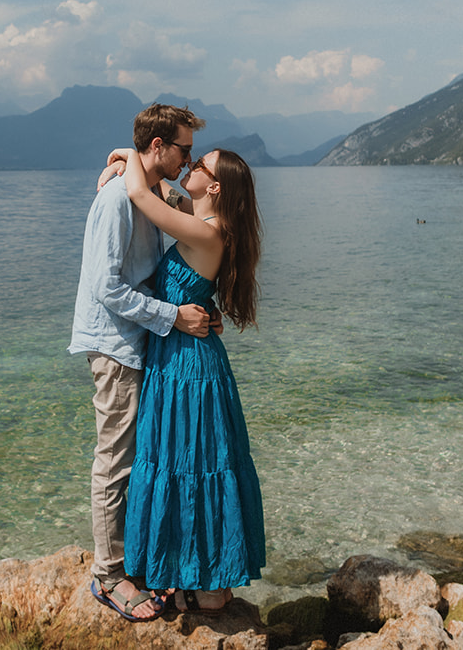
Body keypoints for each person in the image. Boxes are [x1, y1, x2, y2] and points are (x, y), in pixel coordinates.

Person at [68, 103, 215, 622]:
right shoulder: (117, 199)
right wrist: (174, 316)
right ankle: (108, 577)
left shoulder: (148, 190)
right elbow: (106, 286)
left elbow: (185, 215)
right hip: (115, 343)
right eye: (183, 149)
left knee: (137, 455)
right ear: (159, 147)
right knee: (116, 458)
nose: (188, 159)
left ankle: (134, 560)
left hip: (138, 339)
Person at [113, 145, 266, 614]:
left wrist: (126, 153)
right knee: (194, 464)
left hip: (186, 366)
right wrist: (136, 165)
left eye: (199, 165)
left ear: (215, 186)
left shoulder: (206, 232)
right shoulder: (206, 224)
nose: (191, 166)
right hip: (186, 358)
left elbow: (141, 193)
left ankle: (206, 586)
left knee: (187, 464)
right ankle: (204, 582)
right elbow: (162, 192)